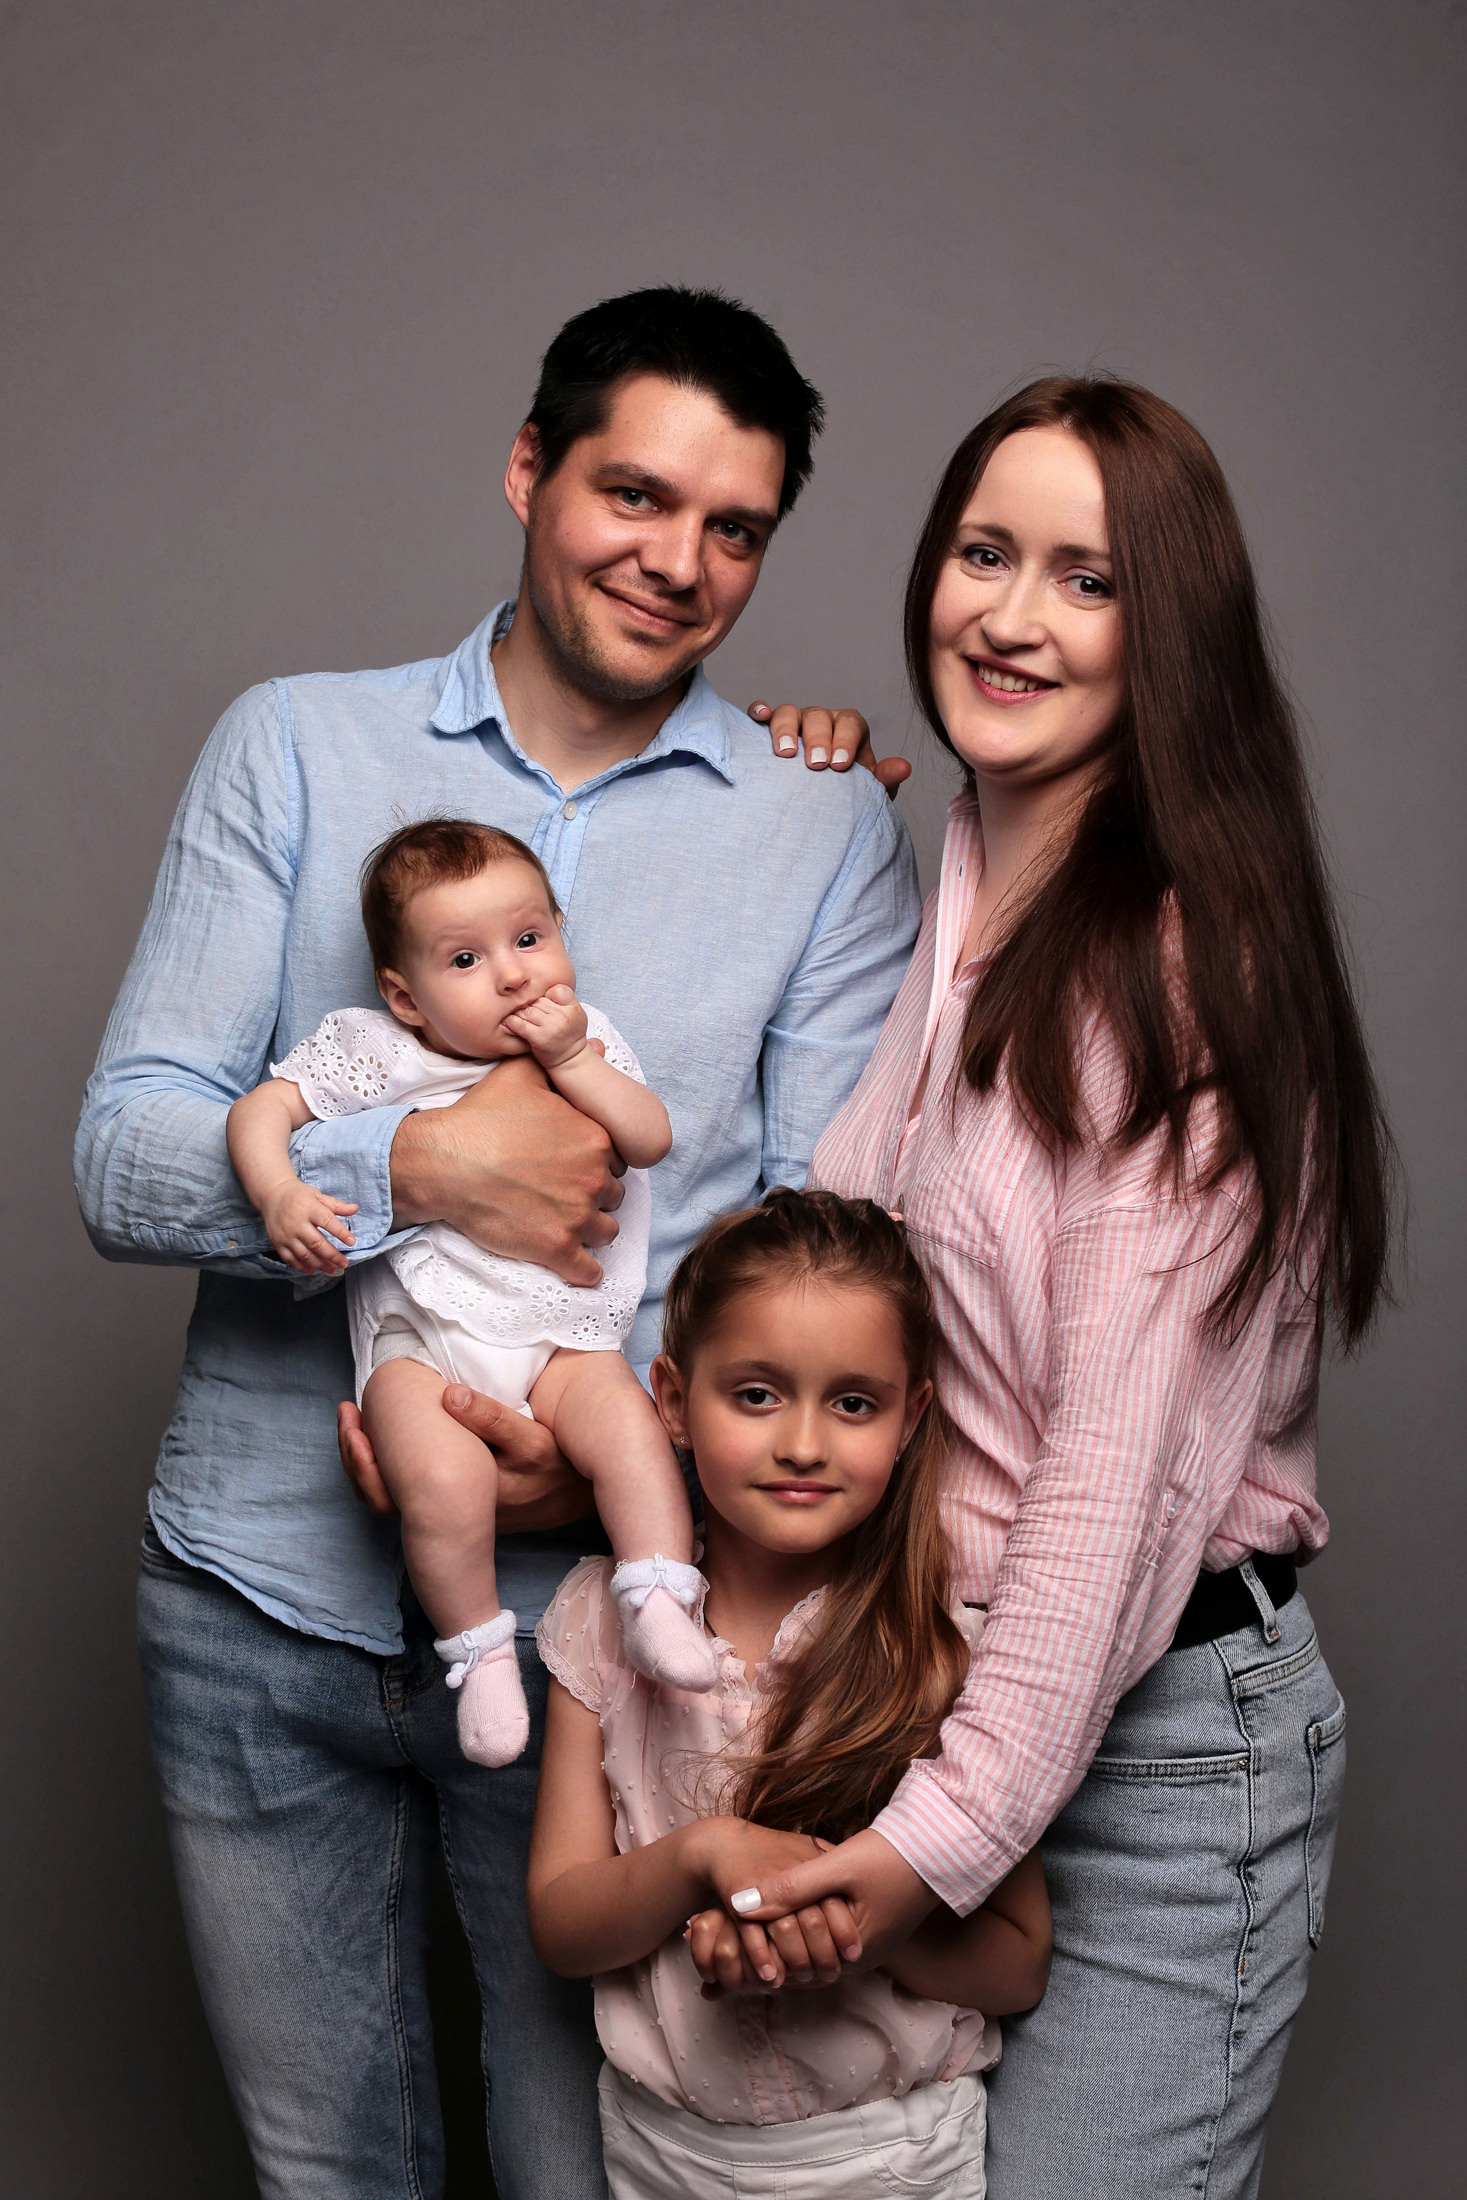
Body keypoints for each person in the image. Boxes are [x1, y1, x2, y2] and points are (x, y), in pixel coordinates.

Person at [75, 286, 921, 2200]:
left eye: (734, 529)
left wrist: (595, 1435)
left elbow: (824, 1249)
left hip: (592, 1646)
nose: (677, 560)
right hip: (254, 1609)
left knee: (582, 2177)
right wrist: (428, 1168)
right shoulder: (294, 751)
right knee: (328, 2178)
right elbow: (125, 1161)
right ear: (527, 471)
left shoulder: (817, 823)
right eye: (633, 494)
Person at [735, 377, 1395, 2198]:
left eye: (1084, 580)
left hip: (1156, 1748)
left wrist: (928, 1842)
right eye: (980, 553)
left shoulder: (1180, 961)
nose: (1008, 616)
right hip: (943, 1708)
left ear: (1168, 633)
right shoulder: (951, 880)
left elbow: (1113, 1471)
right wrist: (789, 784)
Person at [527, 1189, 1052, 2200]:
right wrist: (700, 1859)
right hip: (662, 2153)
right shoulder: (601, 1622)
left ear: (912, 1418)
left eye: (853, 1402)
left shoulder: (951, 1649)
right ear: (671, 1399)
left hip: (896, 2159)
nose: (804, 1443)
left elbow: (1015, 1963)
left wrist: (849, 1938)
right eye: (756, 1395)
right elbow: (560, 1920)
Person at [227, 818, 716, 1770]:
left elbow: (647, 1138)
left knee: (627, 1429)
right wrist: (279, 1190)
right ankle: (480, 1653)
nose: (513, 974)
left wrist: (575, 1061)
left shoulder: (588, 1039)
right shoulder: (372, 1050)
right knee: (440, 1483)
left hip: (562, 1338)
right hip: (420, 1338)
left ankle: (659, 1593)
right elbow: (260, 1111)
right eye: (466, 958)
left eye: (531, 939)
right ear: (405, 996)